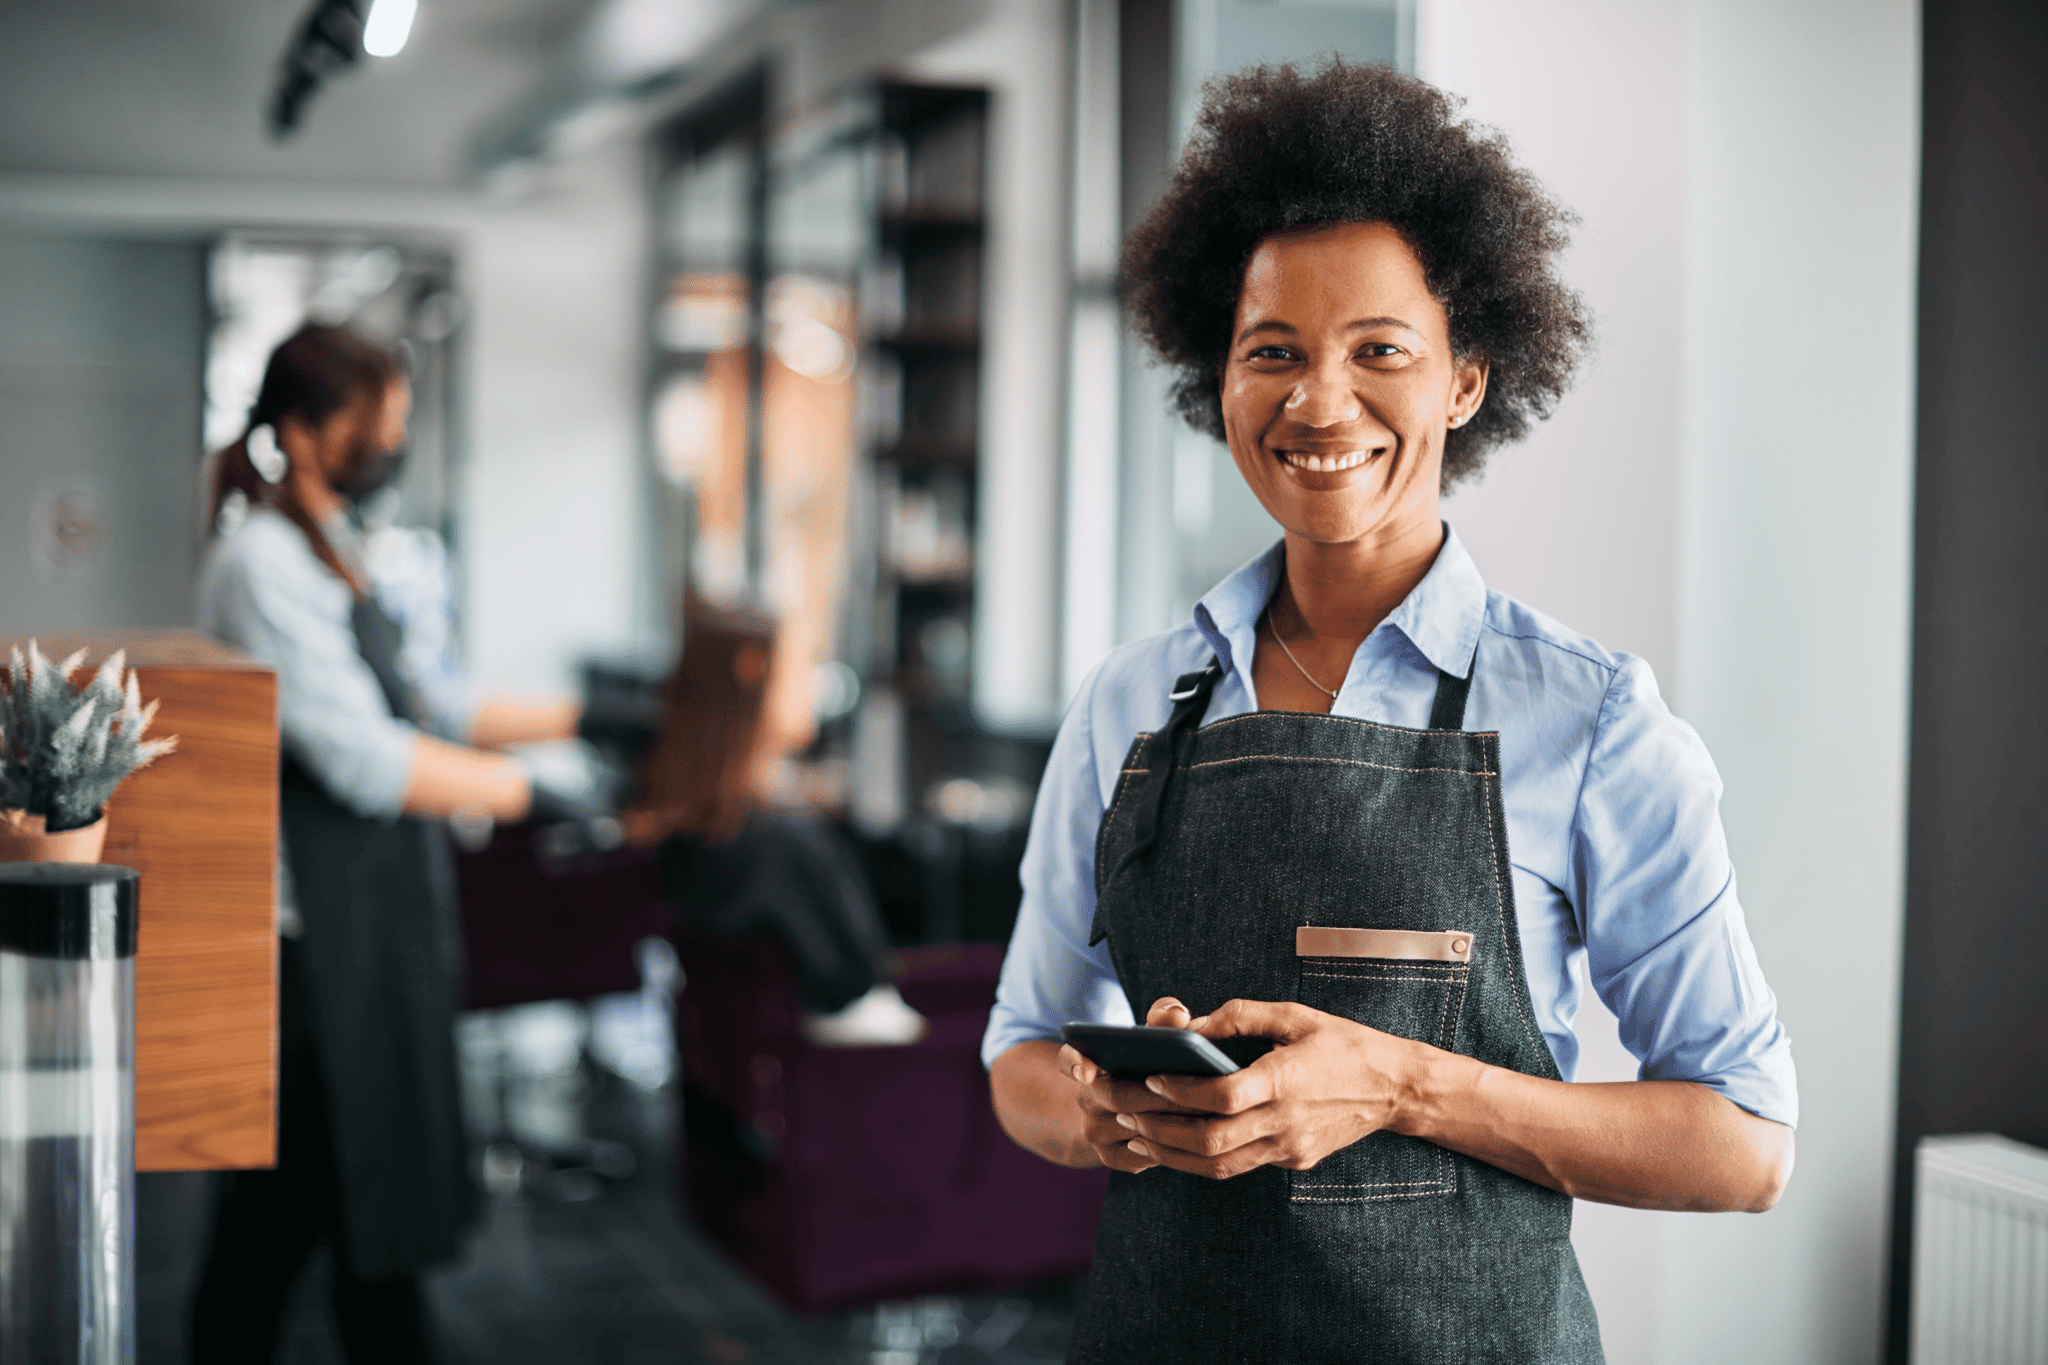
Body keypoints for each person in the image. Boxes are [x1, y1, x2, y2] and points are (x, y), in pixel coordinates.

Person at [984, 62, 1797, 1364]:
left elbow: (1744, 1146)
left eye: (1380, 351)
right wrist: (1107, 1114)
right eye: (1274, 353)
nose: (1318, 402)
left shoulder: (1590, 720)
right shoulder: (1127, 703)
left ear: (1466, 378)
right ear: (1220, 379)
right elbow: (1021, 1051)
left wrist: (1404, 1082)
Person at [191, 324, 577, 1362]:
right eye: (385, 423)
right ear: (309, 431)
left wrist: (581, 720)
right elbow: (362, 756)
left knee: (363, 1225)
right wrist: (529, 795)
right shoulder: (260, 561)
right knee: (292, 1220)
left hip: (372, 925)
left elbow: (432, 702)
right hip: (314, 943)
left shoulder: (335, 546)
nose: (397, 442)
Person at [634, 595, 924, 1047]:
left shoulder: (682, 832)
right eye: (802, 665)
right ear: (752, 669)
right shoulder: (782, 844)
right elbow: (856, 982)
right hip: (843, 1078)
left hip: (741, 1078)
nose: (812, 684)